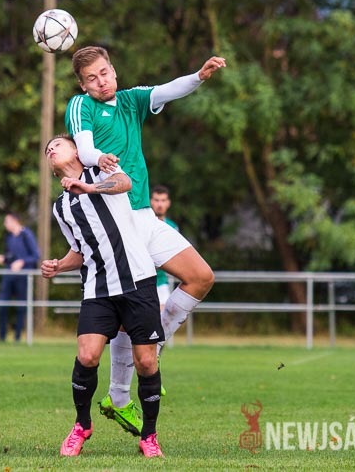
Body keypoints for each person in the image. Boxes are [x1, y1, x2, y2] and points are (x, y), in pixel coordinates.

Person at [64, 46, 224, 437]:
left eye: (104, 73)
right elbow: (83, 146)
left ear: (114, 70)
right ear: (83, 85)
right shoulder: (81, 105)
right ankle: (119, 397)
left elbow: (168, 89)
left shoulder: (132, 101)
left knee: (201, 277)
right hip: (117, 223)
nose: (100, 82)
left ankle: (153, 348)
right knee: (126, 313)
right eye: (91, 78)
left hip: (145, 218)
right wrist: (99, 158)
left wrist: (199, 76)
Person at [41, 134, 165, 458]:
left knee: (146, 361)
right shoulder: (60, 207)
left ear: (76, 150)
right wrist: (59, 265)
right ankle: (82, 425)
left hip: (138, 280)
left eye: (58, 144)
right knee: (87, 356)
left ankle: (149, 436)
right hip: (98, 288)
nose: (51, 148)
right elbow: (79, 250)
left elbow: (125, 183)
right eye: (47, 149)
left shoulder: (100, 170)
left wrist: (90, 187)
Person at [0, 212, 39, 342]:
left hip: (23, 276)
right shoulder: (9, 237)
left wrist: (22, 262)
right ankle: (2, 337)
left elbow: (36, 256)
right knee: (2, 304)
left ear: (14, 221)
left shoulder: (26, 235)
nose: (5, 224)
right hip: (9, 275)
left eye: (6, 221)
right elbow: (11, 257)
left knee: (21, 306)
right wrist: (4, 259)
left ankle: (17, 337)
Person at [150, 185, 180, 310]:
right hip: (142, 279)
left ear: (168, 203)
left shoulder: (173, 227)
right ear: (151, 201)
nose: (159, 204)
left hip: (161, 281)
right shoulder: (145, 223)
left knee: (164, 316)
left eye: (163, 200)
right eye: (156, 200)